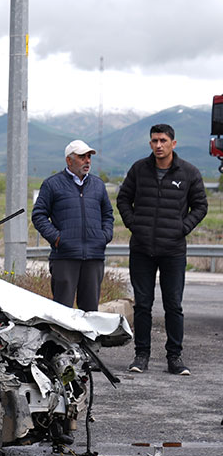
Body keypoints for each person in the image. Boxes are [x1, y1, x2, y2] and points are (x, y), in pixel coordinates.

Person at [117, 124, 207, 376]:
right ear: (150, 144)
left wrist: (183, 227)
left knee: (173, 305)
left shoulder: (189, 172)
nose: (159, 145)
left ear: (173, 143)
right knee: (143, 305)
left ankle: (174, 358)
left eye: (163, 140)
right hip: (142, 248)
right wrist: (134, 224)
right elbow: (123, 198)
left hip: (173, 250)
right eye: (154, 140)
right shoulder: (139, 169)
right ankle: (141, 355)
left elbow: (200, 205)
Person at [31, 139, 114, 310]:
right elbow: (38, 215)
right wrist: (58, 239)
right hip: (65, 257)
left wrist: (104, 236)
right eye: (82, 157)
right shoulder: (52, 184)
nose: (87, 161)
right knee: (62, 312)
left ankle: (88, 339)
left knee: (91, 312)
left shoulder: (98, 185)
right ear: (69, 160)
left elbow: (108, 214)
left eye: (89, 157)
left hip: (93, 257)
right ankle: (63, 339)